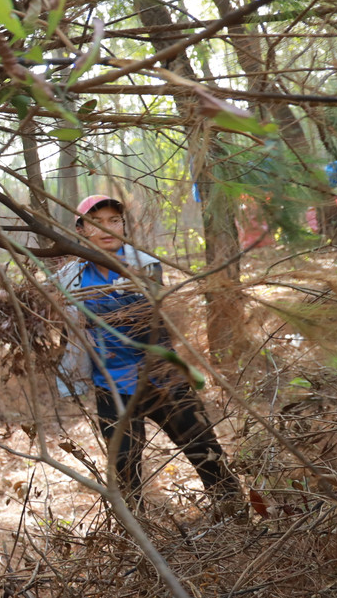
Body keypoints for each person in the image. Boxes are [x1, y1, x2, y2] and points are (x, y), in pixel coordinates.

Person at [58, 195, 242, 511]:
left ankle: (235, 515)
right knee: (126, 471)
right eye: (97, 222)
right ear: (82, 229)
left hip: (162, 378)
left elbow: (155, 317)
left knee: (206, 452)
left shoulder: (145, 265)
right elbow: (63, 327)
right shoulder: (69, 278)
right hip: (112, 388)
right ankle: (142, 542)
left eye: (114, 220)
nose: (108, 228)